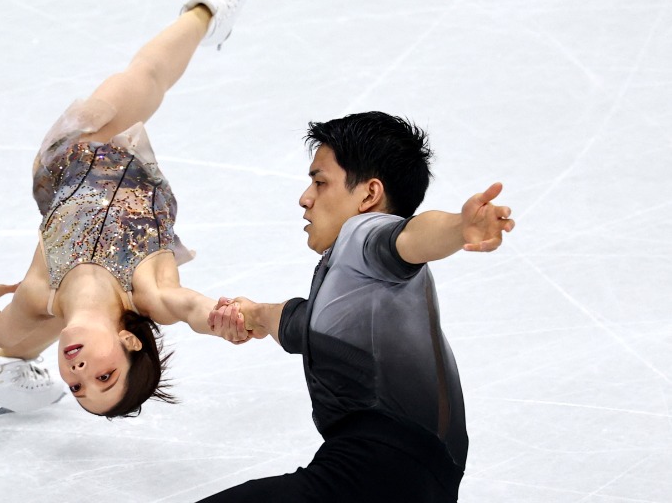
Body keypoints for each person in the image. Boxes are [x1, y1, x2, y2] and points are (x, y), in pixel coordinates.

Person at [0, 0, 261, 422]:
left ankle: (5, 372)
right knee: (148, 75)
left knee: (105, 106)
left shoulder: (38, 294)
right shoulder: (148, 292)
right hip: (131, 172)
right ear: (129, 340)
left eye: (76, 387)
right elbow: (192, 308)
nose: (79, 372)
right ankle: (206, 12)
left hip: (68, 156)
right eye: (104, 377)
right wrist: (222, 322)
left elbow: (0, 329)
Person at [203, 112, 515, 502]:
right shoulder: (358, 285)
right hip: (414, 481)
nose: (305, 198)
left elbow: (410, 235)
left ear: (368, 195)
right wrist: (255, 315)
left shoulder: (366, 233)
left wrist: (458, 227)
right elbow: (302, 322)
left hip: (373, 470)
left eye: (320, 181)